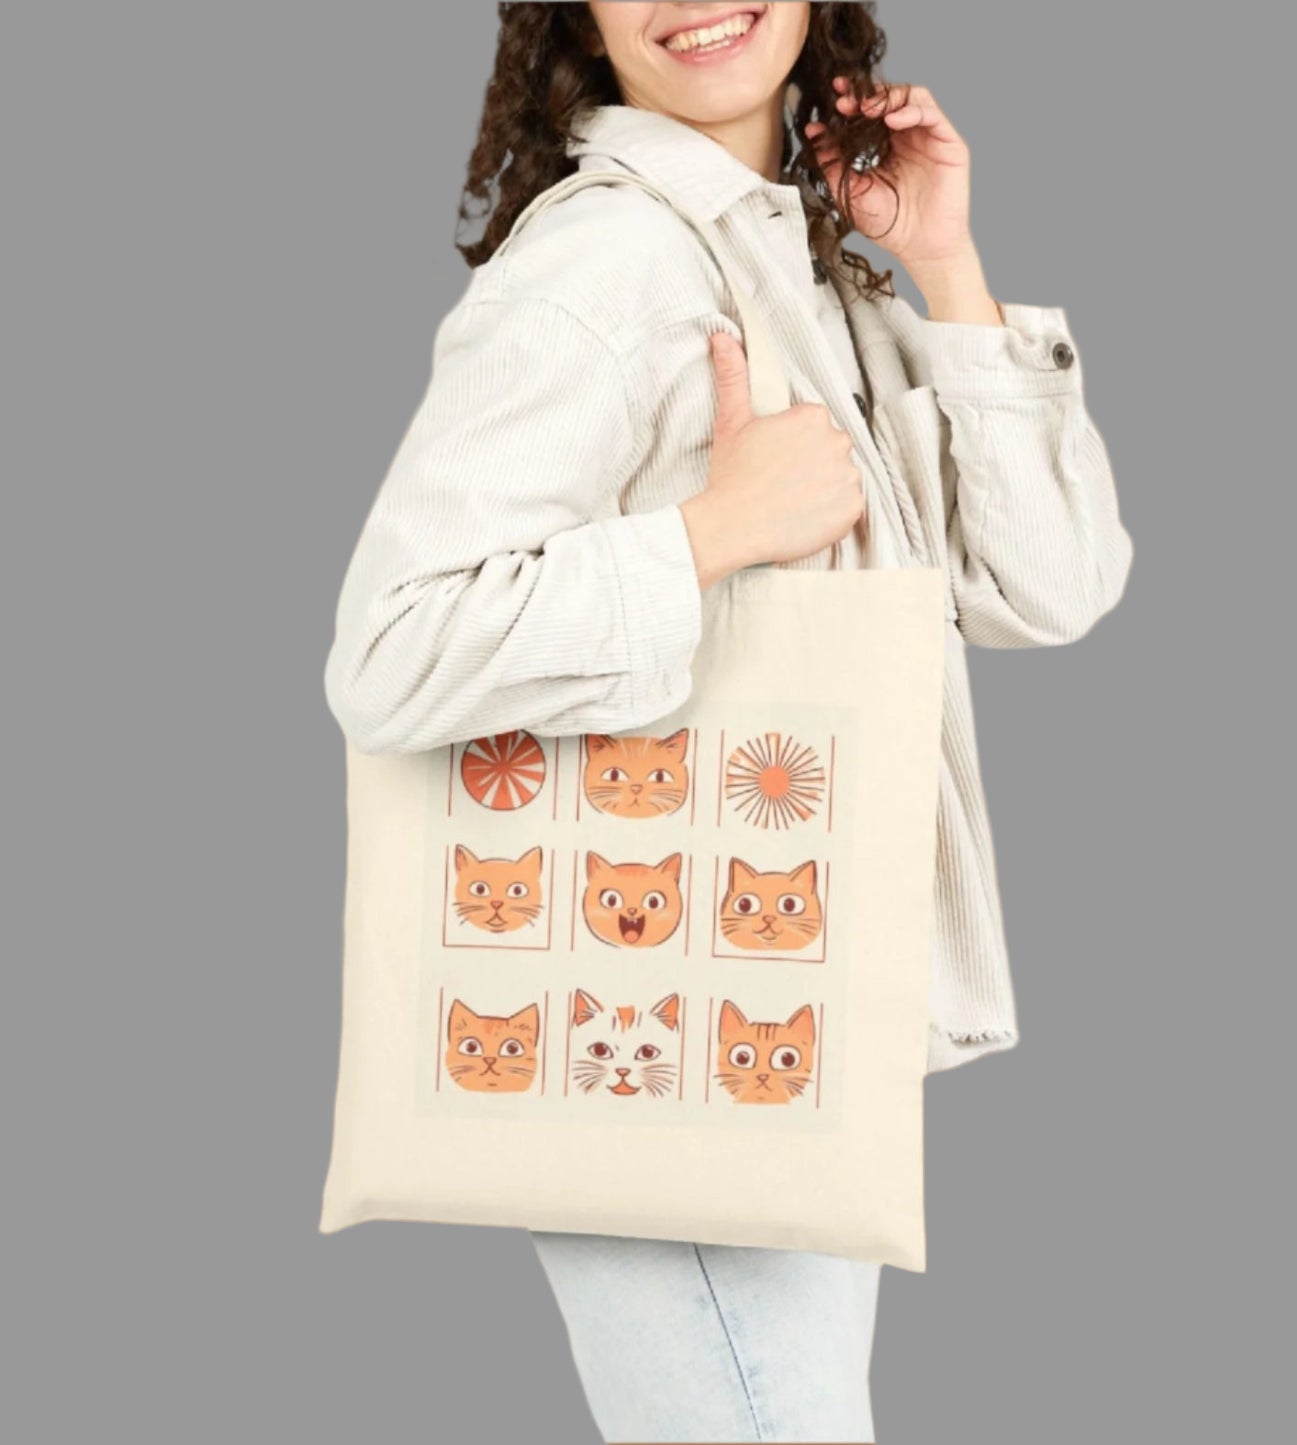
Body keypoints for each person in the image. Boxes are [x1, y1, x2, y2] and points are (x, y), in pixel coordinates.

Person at [322, 4, 1132, 1441]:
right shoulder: (605, 260)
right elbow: (390, 649)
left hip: (779, 1009)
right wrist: (707, 534)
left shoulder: (798, 262)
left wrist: (942, 262)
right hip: (653, 1024)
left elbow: (1050, 586)